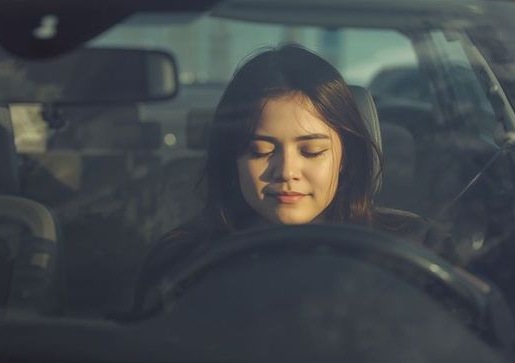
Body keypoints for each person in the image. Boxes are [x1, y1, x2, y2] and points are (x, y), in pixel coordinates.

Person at [132, 44, 451, 312]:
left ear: (346, 159)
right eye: (260, 151)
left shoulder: (417, 252)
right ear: (232, 160)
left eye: (311, 151)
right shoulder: (181, 264)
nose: (286, 172)